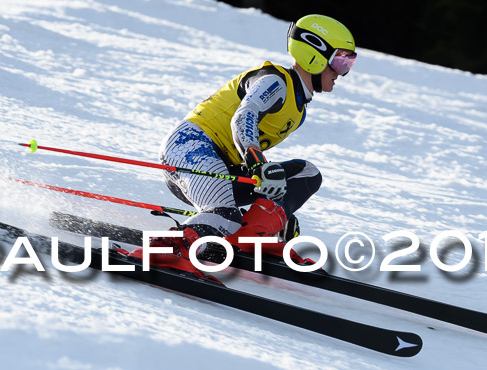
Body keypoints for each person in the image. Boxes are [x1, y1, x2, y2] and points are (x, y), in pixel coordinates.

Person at [131, 14, 357, 273]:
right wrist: (259, 164)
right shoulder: (276, 81)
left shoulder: (299, 107)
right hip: (190, 148)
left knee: (307, 174)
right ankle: (167, 248)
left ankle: (249, 235)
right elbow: (244, 116)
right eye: (340, 61)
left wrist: (276, 213)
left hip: (222, 164)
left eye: (348, 62)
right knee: (226, 215)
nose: (343, 72)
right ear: (314, 54)